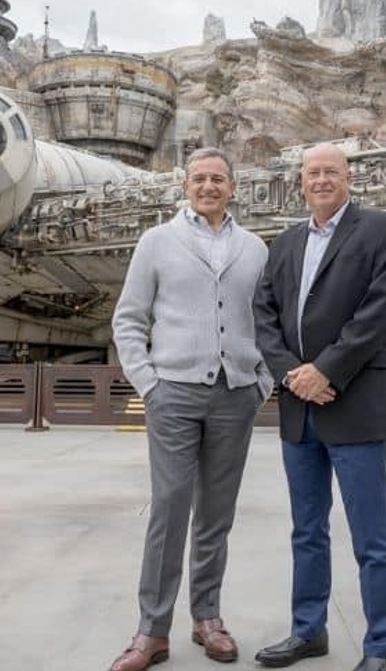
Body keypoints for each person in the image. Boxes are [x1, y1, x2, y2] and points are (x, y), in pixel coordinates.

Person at [109, 147, 273, 671]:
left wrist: (261, 384)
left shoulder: (254, 249)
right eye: (199, 178)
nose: (208, 186)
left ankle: (207, 617)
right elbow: (129, 319)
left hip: (235, 394)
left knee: (216, 515)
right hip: (173, 393)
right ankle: (151, 630)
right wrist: (149, 385)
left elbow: (268, 324)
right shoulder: (156, 242)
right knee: (170, 508)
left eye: (218, 178)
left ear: (232, 187)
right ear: (185, 186)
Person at [252, 143, 386, 671]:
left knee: (372, 536)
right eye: (312, 173)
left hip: (353, 403)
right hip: (300, 408)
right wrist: (293, 375)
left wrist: (326, 370)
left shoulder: (382, 230)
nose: (321, 180)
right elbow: (264, 314)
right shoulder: (286, 241)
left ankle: (382, 648)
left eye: (331, 172)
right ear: (301, 181)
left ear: (348, 177)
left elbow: (379, 310)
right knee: (307, 530)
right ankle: (308, 631)